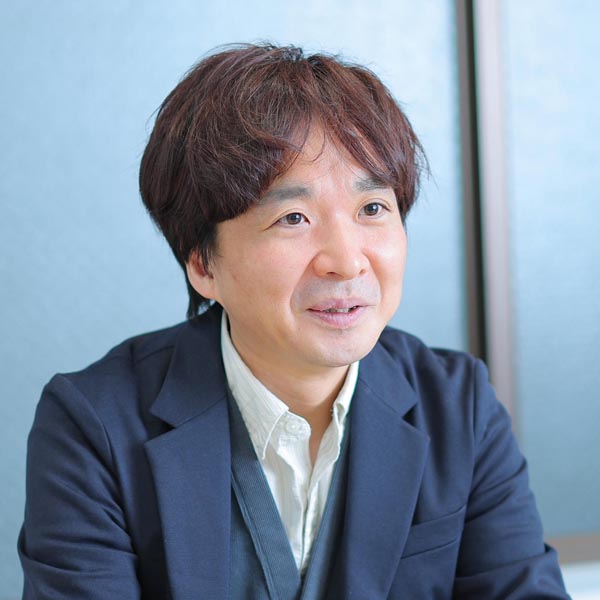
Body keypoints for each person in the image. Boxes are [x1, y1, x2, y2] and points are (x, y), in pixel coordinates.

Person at [18, 43, 570, 599]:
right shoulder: (94, 425)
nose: (347, 261)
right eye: (293, 217)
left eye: (372, 209)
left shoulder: (459, 408)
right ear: (203, 264)